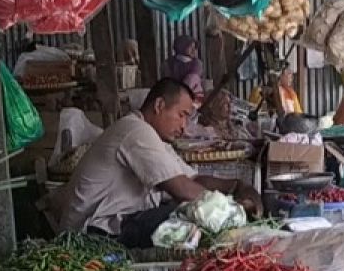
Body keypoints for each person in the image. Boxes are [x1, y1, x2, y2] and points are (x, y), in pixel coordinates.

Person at [59, 78, 261, 249]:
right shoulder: (135, 131)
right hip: (89, 235)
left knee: (187, 213)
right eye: (181, 115)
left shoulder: (157, 141)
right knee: (186, 218)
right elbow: (181, 189)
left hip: (115, 225)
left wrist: (235, 185)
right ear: (159, 106)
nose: (184, 126)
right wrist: (232, 209)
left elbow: (192, 178)